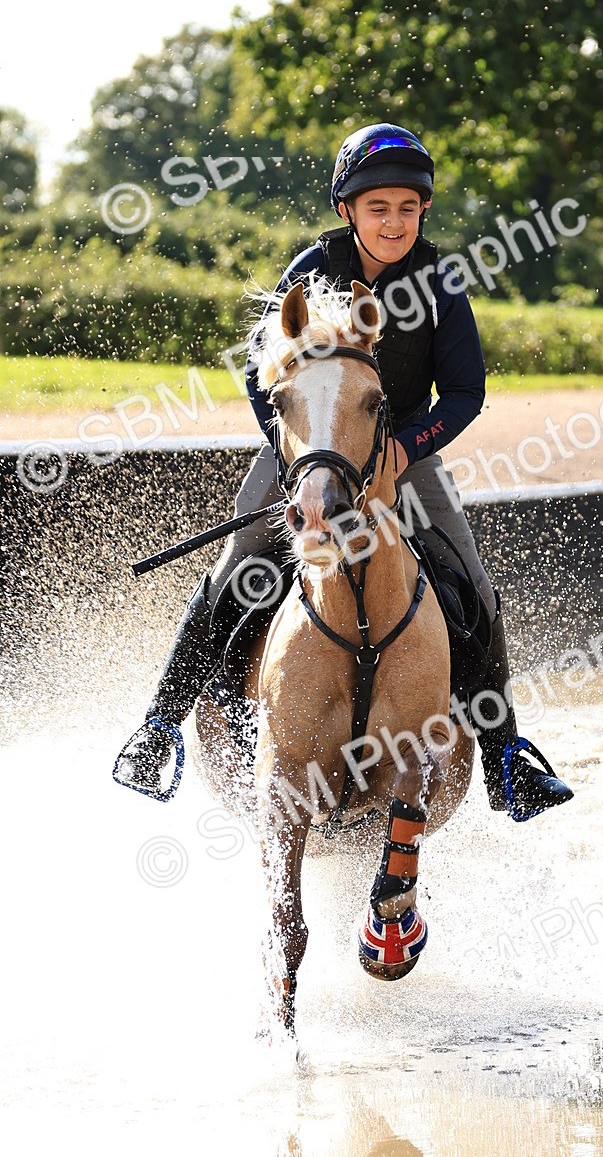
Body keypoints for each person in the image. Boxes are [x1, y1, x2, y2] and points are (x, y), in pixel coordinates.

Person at [114, 122, 573, 820]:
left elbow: (466, 391)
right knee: (237, 561)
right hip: (308, 449)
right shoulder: (311, 270)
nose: (394, 222)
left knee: (470, 576)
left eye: (408, 209)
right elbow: (256, 371)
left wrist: (406, 445)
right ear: (347, 211)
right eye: (378, 208)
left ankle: (508, 757)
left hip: (400, 452)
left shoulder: (442, 283)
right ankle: (157, 727)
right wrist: (296, 450)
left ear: (423, 211)